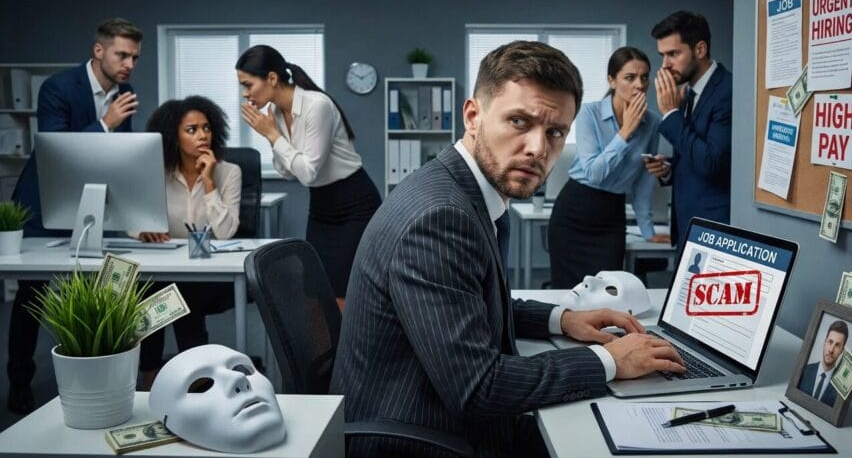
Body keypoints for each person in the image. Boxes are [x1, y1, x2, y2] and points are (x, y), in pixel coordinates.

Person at [330, 41, 685, 458]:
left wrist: (562, 319)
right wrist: (608, 360)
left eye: (555, 132)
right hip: (415, 440)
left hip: (437, 417)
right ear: (473, 116)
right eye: (519, 121)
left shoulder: (467, 192)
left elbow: (469, 304)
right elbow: (478, 387)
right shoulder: (440, 217)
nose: (538, 148)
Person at [5, 18, 142, 414]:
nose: (129, 64)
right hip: (46, 201)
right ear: (98, 51)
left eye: (135, 57)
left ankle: (100, 375)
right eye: (122, 55)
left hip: (96, 202)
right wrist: (105, 124)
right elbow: (55, 151)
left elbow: (120, 155)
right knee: (32, 294)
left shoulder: (125, 92)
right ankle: (19, 382)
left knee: (106, 288)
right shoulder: (58, 88)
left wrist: (132, 212)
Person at [236, 45, 380, 309]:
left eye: (248, 85)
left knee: (341, 295)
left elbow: (308, 173)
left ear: (271, 78)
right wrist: (272, 136)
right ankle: (322, 340)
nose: (245, 94)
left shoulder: (317, 106)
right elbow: (287, 172)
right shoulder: (276, 113)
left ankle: (346, 339)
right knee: (313, 291)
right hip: (322, 206)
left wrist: (272, 135)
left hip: (354, 204)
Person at [134, 96, 241, 387]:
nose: (203, 135)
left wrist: (209, 182)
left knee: (179, 294)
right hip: (163, 270)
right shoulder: (157, 173)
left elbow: (225, 232)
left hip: (211, 275)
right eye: (192, 130)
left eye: (206, 127)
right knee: (149, 290)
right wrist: (142, 231)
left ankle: (195, 378)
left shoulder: (229, 173)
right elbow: (132, 217)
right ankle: (153, 377)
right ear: (173, 136)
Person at [548, 47, 669, 289]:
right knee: (569, 296)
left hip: (612, 215)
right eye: (630, 77)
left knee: (609, 292)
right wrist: (626, 132)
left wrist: (648, 231)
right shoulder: (589, 113)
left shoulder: (652, 123)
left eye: (644, 77)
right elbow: (594, 173)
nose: (639, 85)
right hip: (574, 212)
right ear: (612, 81)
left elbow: (643, 183)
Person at [644, 10, 731, 248]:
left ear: (700, 49)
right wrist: (669, 170)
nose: (665, 65)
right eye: (662, 55)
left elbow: (713, 162)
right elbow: (696, 154)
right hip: (687, 225)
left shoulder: (728, 91)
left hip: (713, 229)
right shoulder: (687, 93)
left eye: (673, 54)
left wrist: (671, 114)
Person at [798, 320, 848, 407]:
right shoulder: (805, 370)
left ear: (842, 350)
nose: (831, 350)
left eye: (837, 345)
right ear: (825, 343)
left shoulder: (841, 387)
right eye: (830, 342)